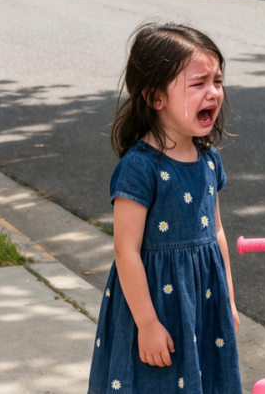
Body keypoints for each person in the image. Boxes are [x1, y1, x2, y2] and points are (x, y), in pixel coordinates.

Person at [87, 23, 242, 394]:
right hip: (155, 306)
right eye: (199, 83)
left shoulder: (209, 159)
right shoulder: (140, 167)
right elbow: (125, 250)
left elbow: (217, 232)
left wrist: (229, 302)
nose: (213, 93)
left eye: (217, 81)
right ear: (156, 98)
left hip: (204, 302)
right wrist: (147, 324)